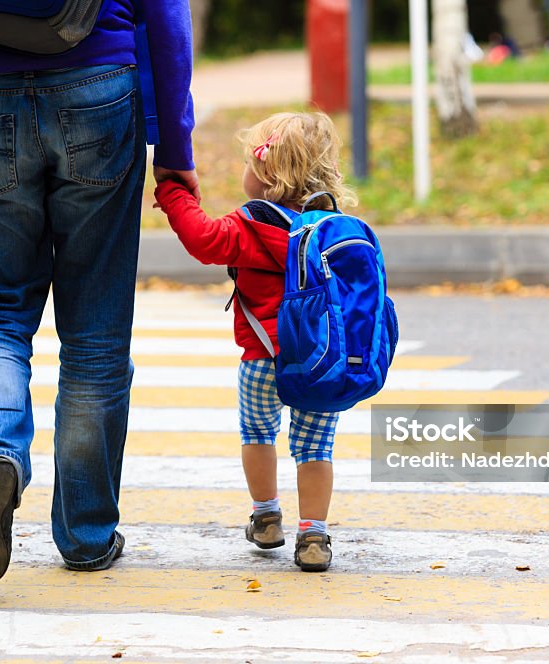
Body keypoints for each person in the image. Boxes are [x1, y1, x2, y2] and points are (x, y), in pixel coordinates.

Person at [0, 0, 197, 585]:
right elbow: (167, 16)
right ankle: (86, 536)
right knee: (96, 331)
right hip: (100, 88)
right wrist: (174, 146)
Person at [153, 112, 354, 573]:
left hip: (262, 360)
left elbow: (204, 240)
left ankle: (266, 516)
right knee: (316, 448)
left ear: (265, 173)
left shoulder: (254, 225)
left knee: (258, 434)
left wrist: (173, 192)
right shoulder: (333, 231)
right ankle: (314, 534)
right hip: (322, 363)